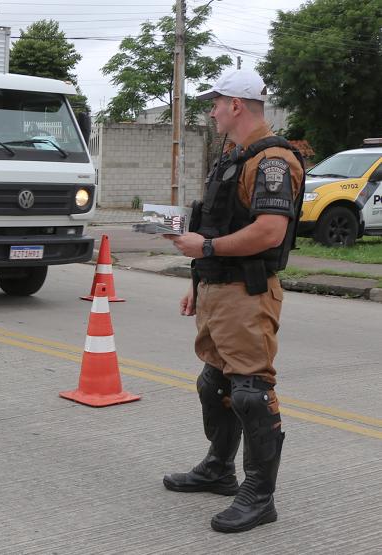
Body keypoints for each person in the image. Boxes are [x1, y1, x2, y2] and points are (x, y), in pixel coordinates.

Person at [163, 69, 305, 533]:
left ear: (236, 105)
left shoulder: (272, 161)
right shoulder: (232, 155)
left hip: (247, 292)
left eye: (216, 102)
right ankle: (219, 469)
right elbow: (218, 224)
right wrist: (196, 277)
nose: (212, 110)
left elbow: (269, 231)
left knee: (250, 392)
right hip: (216, 287)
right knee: (214, 385)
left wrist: (204, 250)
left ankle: (259, 495)